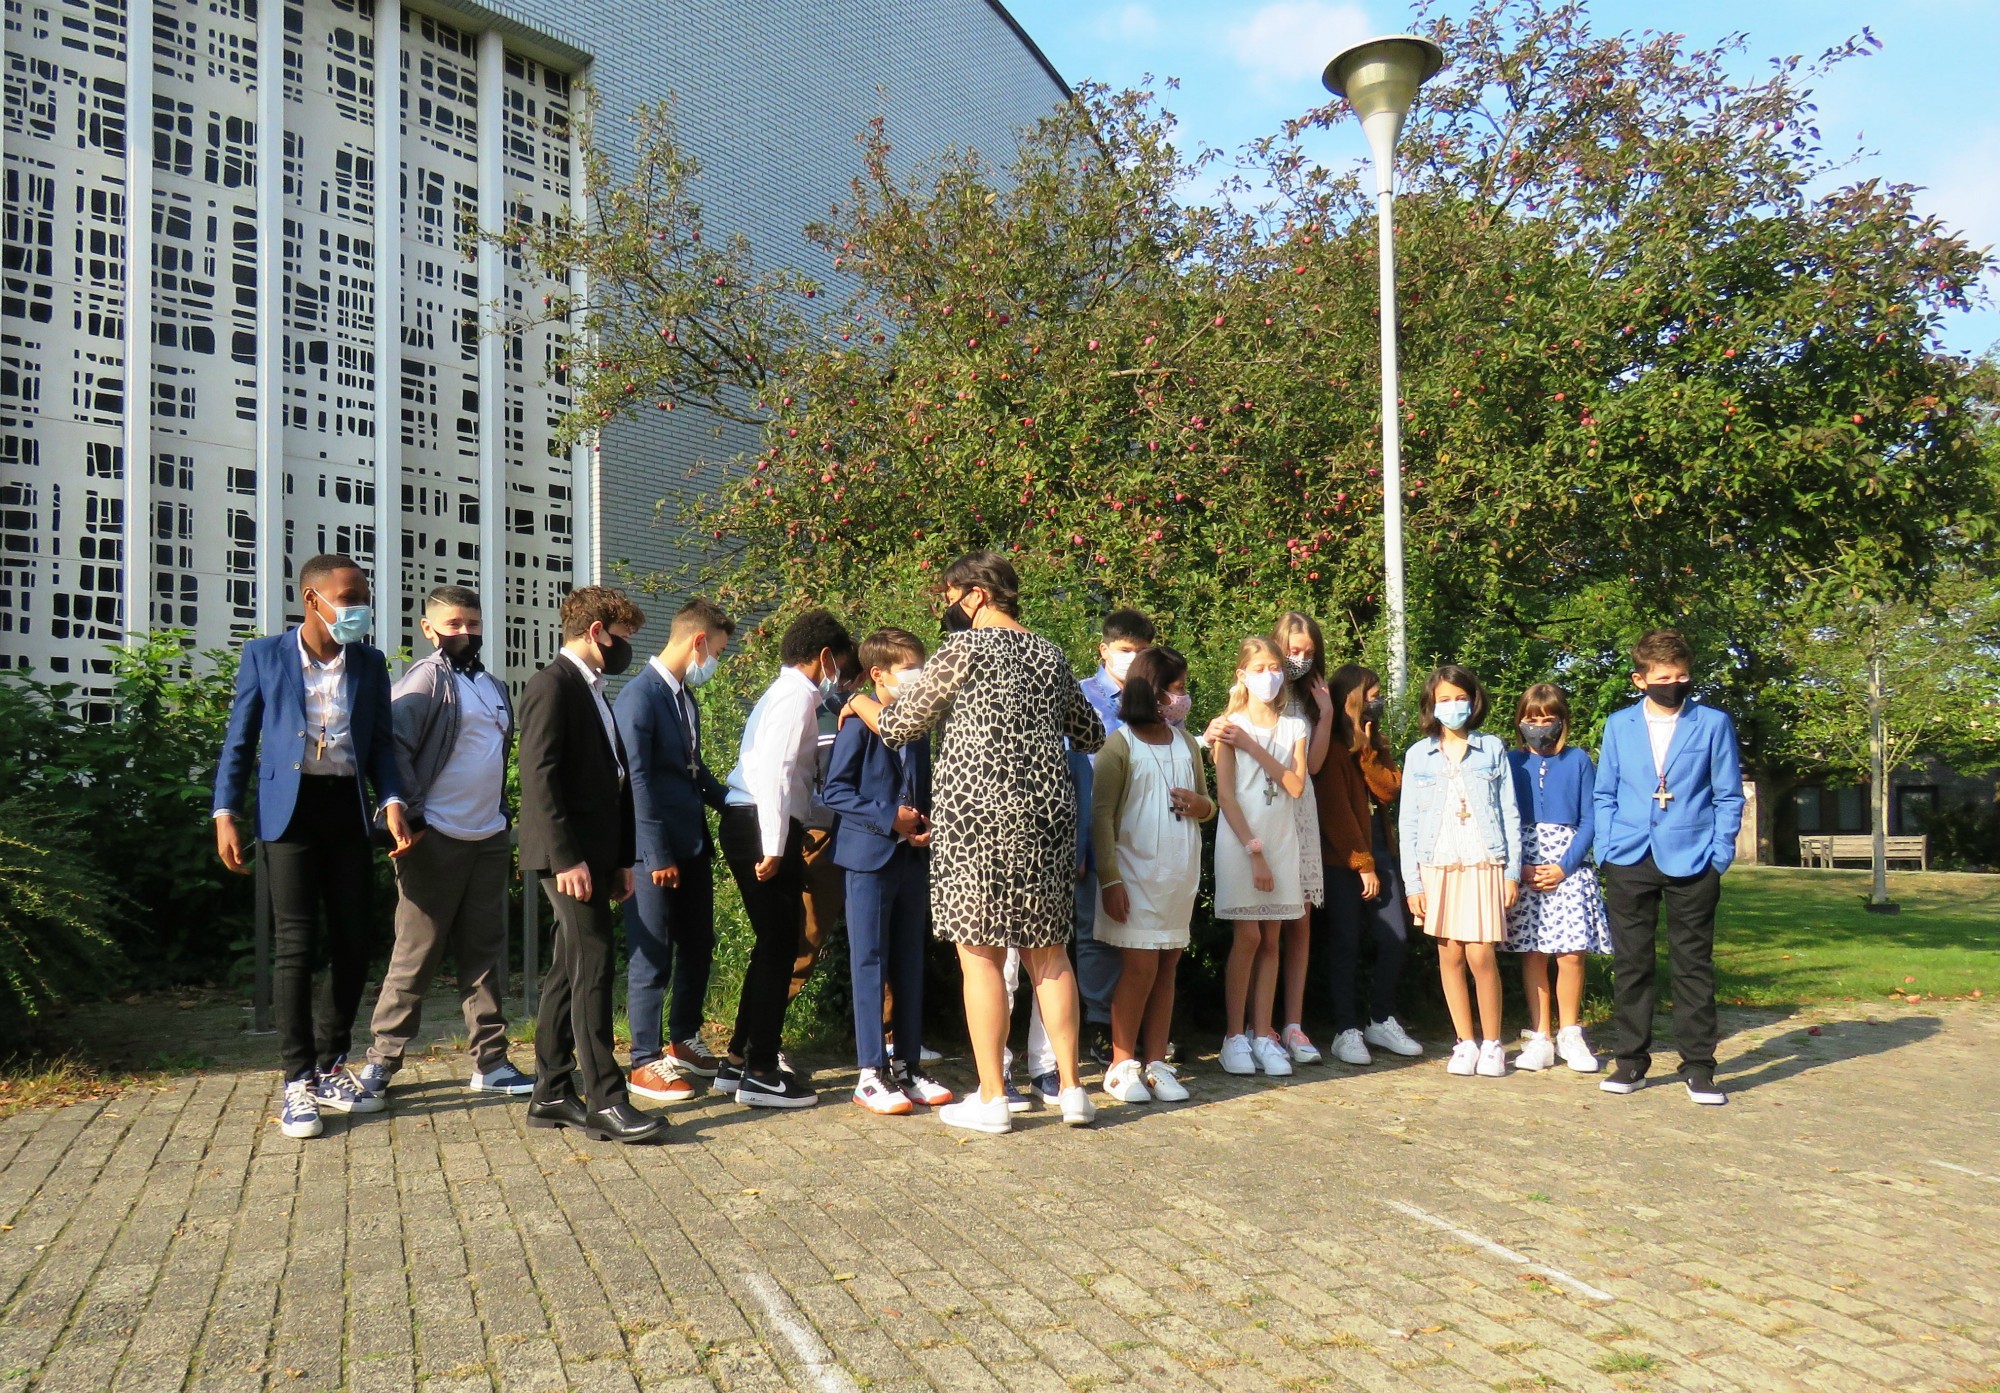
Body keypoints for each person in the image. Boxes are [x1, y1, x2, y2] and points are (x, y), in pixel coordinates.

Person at [849, 551, 1106, 1135]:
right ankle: (1071, 1091)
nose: (946, 607)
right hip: (1046, 818)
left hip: (977, 820)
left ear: (978, 595)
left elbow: (899, 726)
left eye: (949, 595)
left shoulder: (961, 652)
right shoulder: (1048, 654)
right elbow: (1090, 733)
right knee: (1050, 953)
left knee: (981, 953)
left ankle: (993, 1097)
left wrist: (858, 702)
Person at [212, 553, 412, 1140]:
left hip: (346, 812)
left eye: (363, 597)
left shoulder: (369, 664)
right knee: (296, 945)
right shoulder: (265, 656)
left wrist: (392, 799)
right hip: (289, 813)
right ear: (313, 600)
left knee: (353, 942)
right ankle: (296, 1078)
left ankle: (330, 1064)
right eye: (348, 597)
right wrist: (225, 811)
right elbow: (239, 739)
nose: (358, 609)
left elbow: (380, 745)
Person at [358, 584, 532, 1104]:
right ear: (429, 629)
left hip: (487, 836)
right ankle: (380, 1064)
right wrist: (410, 816)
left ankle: (492, 1063)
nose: (465, 632)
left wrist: (501, 819)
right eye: (454, 624)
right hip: (435, 837)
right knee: (416, 954)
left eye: (473, 624)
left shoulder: (494, 686)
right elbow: (391, 748)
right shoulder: (425, 679)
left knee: (484, 954)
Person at [518, 585, 664, 1144]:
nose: (628, 647)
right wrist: (568, 858)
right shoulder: (551, 685)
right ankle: (606, 1099)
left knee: (569, 969)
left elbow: (614, 778)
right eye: (624, 636)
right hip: (568, 856)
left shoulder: (594, 689)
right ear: (597, 631)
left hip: (596, 855)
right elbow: (540, 780)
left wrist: (620, 859)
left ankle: (552, 1091)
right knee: (594, 966)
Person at [1593, 628, 1744, 1106]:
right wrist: (1606, 848)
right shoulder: (1619, 725)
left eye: (1681, 676)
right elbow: (1605, 793)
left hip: (1694, 859)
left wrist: (1719, 854)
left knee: (1693, 966)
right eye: (1663, 676)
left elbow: (1727, 793)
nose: (1674, 684)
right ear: (1641, 679)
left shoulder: (1713, 723)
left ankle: (1699, 1067)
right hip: (1630, 856)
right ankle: (1631, 1062)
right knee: (1631, 965)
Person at [718, 609, 857, 1110]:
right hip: (759, 823)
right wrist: (775, 845)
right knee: (779, 945)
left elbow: (794, 784)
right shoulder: (798, 696)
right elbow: (776, 775)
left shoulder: (784, 694)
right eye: (841, 664)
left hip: (756, 820)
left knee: (772, 944)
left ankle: (738, 1060)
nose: (839, 676)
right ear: (824, 658)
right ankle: (760, 1070)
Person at [821, 627, 954, 1115]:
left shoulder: (916, 729)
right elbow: (833, 791)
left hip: (911, 858)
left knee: (909, 960)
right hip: (868, 857)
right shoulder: (855, 725)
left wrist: (925, 823)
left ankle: (908, 1066)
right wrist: (887, 817)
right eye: (909, 670)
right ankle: (870, 1072)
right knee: (869, 961)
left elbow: (924, 787)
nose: (918, 679)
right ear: (878, 674)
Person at [616, 598, 735, 1105]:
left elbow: (693, 768)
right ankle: (643, 1060)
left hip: (692, 844)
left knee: (698, 945)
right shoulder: (638, 697)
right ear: (698, 642)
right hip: (654, 852)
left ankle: (682, 1040)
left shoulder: (685, 697)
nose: (717, 664)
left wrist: (738, 804)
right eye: (718, 652)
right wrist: (655, 853)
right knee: (652, 955)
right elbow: (637, 782)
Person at [1092, 646, 1212, 1104]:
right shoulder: (1119, 745)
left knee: (1167, 966)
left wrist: (1203, 807)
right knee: (1139, 967)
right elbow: (1101, 817)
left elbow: (1206, 803)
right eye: (1176, 688)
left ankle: (1158, 1063)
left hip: (1177, 875)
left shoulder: (1185, 743)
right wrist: (1110, 879)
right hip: (1134, 872)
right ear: (1152, 691)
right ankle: (1122, 1064)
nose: (1183, 697)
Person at [1400, 664, 1522, 1080]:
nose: (1452, 706)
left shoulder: (1492, 748)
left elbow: (1509, 811)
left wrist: (1512, 872)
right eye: (1444, 699)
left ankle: (1492, 1044)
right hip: (1437, 865)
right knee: (1449, 952)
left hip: (1483, 862)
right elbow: (1408, 823)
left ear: (1474, 700)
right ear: (1432, 706)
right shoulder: (1418, 754)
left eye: (1459, 697)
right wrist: (1413, 882)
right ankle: (1464, 1041)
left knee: (1481, 953)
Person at [1212, 636, 1311, 1078]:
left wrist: (1254, 747)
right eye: (1259, 668)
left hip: (1281, 839)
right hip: (1242, 841)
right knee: (1248, 936)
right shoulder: (1228, 726)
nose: (1268, 676)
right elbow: (1227, 797)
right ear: (1242, 675)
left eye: (1275, 667)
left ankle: (1263, 1031)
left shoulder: (1295, 727)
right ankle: (1233, 1035)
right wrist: (1254, 852)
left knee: (1272, 939)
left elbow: (1294, 785)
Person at [1315, 664, 1425, 1063]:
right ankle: (1346, 1030)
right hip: (1343, 858)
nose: (1378, 702)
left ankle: (1380, 1018)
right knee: (1345, 943)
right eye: (1372, 695)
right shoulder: (1326, 745)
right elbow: (1335, 812)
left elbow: (1390, 788)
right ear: (1351, 699)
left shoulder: (1373, 742)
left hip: (1381, 851)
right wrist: (1362, 863)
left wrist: (1368, 746)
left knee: (1394, 937)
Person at [1504, 683, 1610, 1074]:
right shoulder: (1510, 762)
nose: (1540, 726)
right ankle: (1540, 1035)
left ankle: (1570, 1032)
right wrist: (1521, 867)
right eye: (1533, 719)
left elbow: (1590, 819)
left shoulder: (1579, 759)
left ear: (1561, 721)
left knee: (1570, 953)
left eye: (1548, 719)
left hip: (1569, 867)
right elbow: (1503, 817)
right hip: (1526, 864)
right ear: (1521, 721)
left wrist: (1565, 865)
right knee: (1533, 951)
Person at [1271, 612, 1334, 1065]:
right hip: (1266, 807)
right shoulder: (1263, 689)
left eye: (1308, 652)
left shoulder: (1314, 697)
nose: (1299, 658)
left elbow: (1312, 766)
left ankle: (1294, 1022)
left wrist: (1327, 713)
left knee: (1300, 920)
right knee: (1266, 922)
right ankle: (1261, 1024)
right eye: (1293, 649)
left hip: (1303, 811)